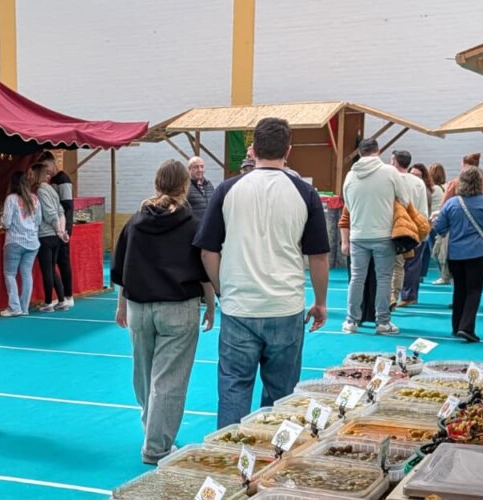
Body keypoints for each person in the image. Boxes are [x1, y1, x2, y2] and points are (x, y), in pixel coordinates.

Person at [194, 116, 329, 428]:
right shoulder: (305, 193)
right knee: (281, 398)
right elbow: (319, 255)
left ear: (252, 150)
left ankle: (228, 458)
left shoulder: (227, 190)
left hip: (240, 306)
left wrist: (222, 288)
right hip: (285, 306)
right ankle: (272, 461)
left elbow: (207, 250)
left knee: (233, 389)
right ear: (288, 150)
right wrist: (320, 301)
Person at [112, 160, 215, 464]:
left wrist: (121, 304)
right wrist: (210, 303)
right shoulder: (193, 225)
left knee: (144, 374)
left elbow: (122, 268)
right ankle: (156, 445)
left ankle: (152, 429)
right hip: (177, 308)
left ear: (156, 184)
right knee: (170, 379)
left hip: (139, 307)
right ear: (185, 186)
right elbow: (203, 271)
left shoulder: (134, 223)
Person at [340, 137, 408, 335]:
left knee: (356, 278)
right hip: (383, 234)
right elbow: (404, 199)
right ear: (378, 151)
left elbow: (348, 206)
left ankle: (351, 321)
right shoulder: (389, 172)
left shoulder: (350, 176)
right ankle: (383, 322)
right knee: (384, 278)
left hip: (358, 235)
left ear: (360, 153)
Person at [431, 166, 483, 343]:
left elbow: (439, 228)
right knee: (474, 290)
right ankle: (467, 327)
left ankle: (456, 326)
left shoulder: (452, 203)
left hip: (455, 253)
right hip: (478, 252)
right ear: (480, 182)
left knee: (459, 289)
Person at [389, 149, 430, 307]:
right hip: (413, 227)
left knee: (393, 265)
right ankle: (408, 296)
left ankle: (391, 295)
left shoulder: (389, 179)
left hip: (392, 227)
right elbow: (422, 209)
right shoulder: (418, 182)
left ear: (394, 161)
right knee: (411, 265)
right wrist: (422, 232)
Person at [0, 168, 42, 316]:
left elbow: (6, 222)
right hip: (32, 241)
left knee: (10, 274)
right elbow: (38, 221)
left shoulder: (11, 199)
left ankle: (14, 307)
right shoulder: (34, 198)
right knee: (26, 274)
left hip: (14, 241)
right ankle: (24, 307)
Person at [397, 163, 441, 304]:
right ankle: (408, 294)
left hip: (418, 228)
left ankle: (409, 295)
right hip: (408, 228)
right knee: (410, 263)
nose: (414, 177)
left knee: (413, 263)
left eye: (417, 175)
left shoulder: (426, 191)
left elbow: (425, 212)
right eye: (412, 174)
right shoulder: (409, 188)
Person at [32, 159, 68, 310]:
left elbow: (51, 213)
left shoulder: (41, 191)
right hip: (55, 235)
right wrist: (61, 230)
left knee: (47, 270)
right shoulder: (52, 190)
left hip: (46, 235)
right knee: (52, 269)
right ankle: (61, 299)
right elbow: (60, 211)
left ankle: (48, 302)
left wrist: (59, 230)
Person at [42, 151, 75, 309]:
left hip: (64, 226)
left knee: (63, 261)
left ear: (53, 163)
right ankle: (63, 296)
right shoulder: (52, 181)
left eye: (47, 166)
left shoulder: (63, 180)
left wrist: (65, 229)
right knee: (57, 262)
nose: (46, 170)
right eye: (43, 168)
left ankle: (68, 295)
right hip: (57, 227)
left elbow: (67, 205)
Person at [429, 162, 451, 284]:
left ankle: (443, 275)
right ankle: (447, 274)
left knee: (436, 251)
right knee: (445, 251)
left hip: (434, 223)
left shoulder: (433, 189)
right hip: (446, 223)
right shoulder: (447, 186)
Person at [187, 156, 215, 229]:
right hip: (193, 230)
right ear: (189, 169)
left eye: (202, 167)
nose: (200, 170)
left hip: (209, 228)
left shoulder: (209, 184)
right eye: (196, 167)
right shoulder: (185, 187)